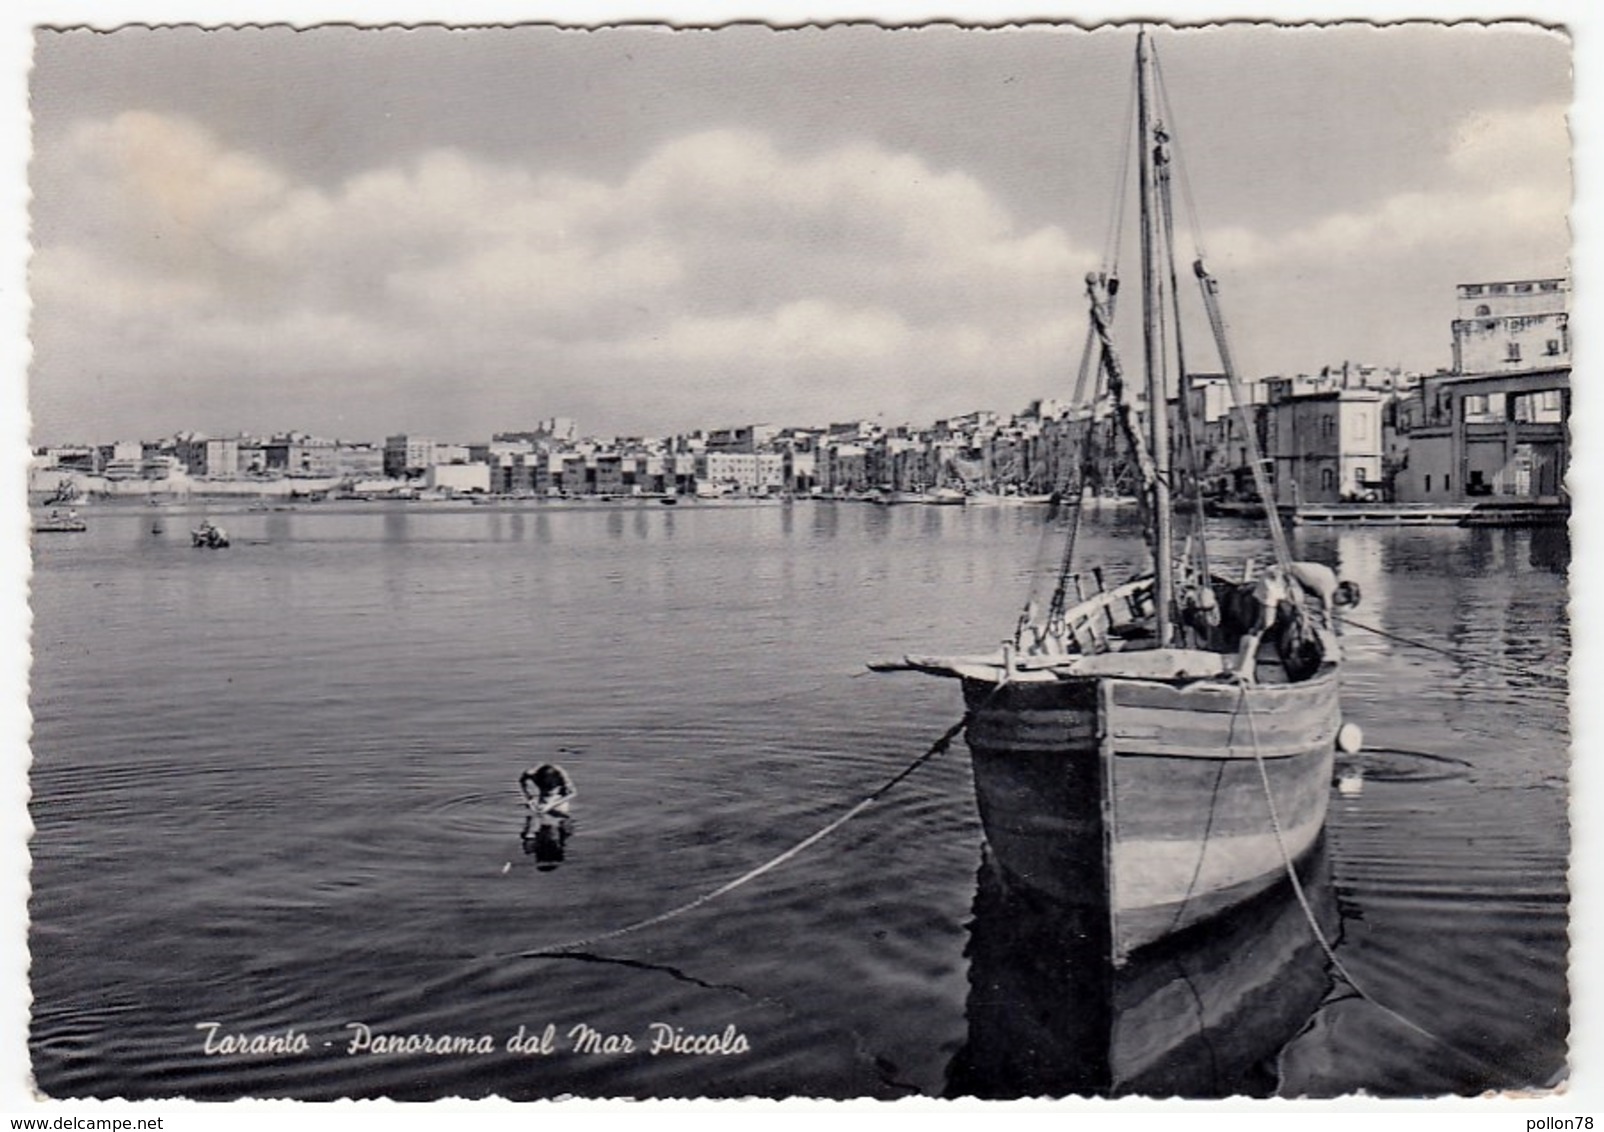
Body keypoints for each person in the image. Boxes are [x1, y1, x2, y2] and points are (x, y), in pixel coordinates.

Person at [1231, 560, 1360, 681]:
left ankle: (1246, 663)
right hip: (1275, 578)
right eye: (1344, 600)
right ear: (1342, 590)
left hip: (1284, 581)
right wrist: (1335, 649)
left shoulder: (1329, 577)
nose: (1340, 603)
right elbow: (1326, 621)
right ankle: (1242, 668)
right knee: (1264, 623)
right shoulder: (1329, 588)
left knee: (1289, 619)